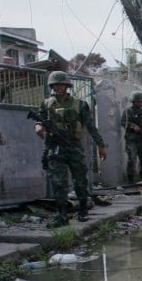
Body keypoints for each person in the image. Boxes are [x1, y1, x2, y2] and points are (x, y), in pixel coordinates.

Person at [32, 71, 107, 228]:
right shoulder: (46, 104)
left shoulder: (79, 104)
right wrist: (38, 127)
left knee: (80, 180)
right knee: (58, 182)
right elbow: (39, 119)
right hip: (55, 147)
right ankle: (62, 215)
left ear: (67, 86)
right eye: (56, 85)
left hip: (74, 146)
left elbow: (91, 127)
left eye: (62, 85)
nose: (59, 88)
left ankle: (82, 211)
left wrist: (100, 145)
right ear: (52, 86)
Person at [121, 90, 142, 183]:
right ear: (133, 101)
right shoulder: (128, 111)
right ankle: (130, 180)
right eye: (138, 101)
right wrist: (132, 126)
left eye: (141, 101)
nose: (140, 103)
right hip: (132, 140)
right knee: (132, 159)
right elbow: (123, 122)